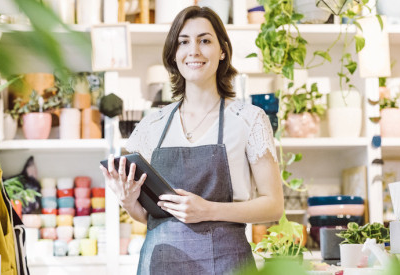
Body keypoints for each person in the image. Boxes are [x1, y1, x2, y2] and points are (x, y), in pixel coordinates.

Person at [99, 6, 283, 275]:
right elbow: (150, 216)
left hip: (227, 265)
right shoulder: (152, 125)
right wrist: (129, 202)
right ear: (174, 54)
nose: (193, 50)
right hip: (160, 265)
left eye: (204, 40)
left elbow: (273, 206)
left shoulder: (248, 119)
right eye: (183, 42)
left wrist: (208, 210)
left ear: (222, 51)